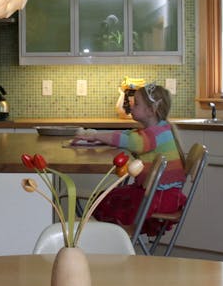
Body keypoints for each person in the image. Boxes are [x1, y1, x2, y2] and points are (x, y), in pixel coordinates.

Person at [72, 82, 186, 231]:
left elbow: (132, 141)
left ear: (151, 110)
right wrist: (96, 135)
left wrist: (95, 135)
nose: (131, 106)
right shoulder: (157, 129)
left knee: (106, 199)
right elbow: (129, 134)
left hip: (158, 197)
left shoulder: (155, 134)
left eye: (136, 104)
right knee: (106, 197)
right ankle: (111, 238)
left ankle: (110, 238)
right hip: (157, 193)